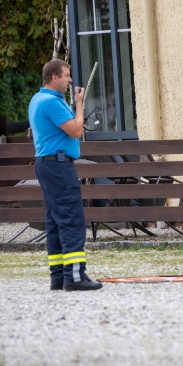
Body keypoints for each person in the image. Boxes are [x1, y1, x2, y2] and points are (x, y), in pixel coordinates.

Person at [28, 59, 102, 291]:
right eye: (67, 76)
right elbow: (76, 130)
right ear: (54, 77)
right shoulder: (52, 102)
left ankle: (58, 276)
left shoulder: (37, 99)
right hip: (59, 166)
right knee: (71, 219)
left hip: (46, 165)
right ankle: (76, 277)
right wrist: (79, 104)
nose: (70, 80)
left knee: (55, 221)